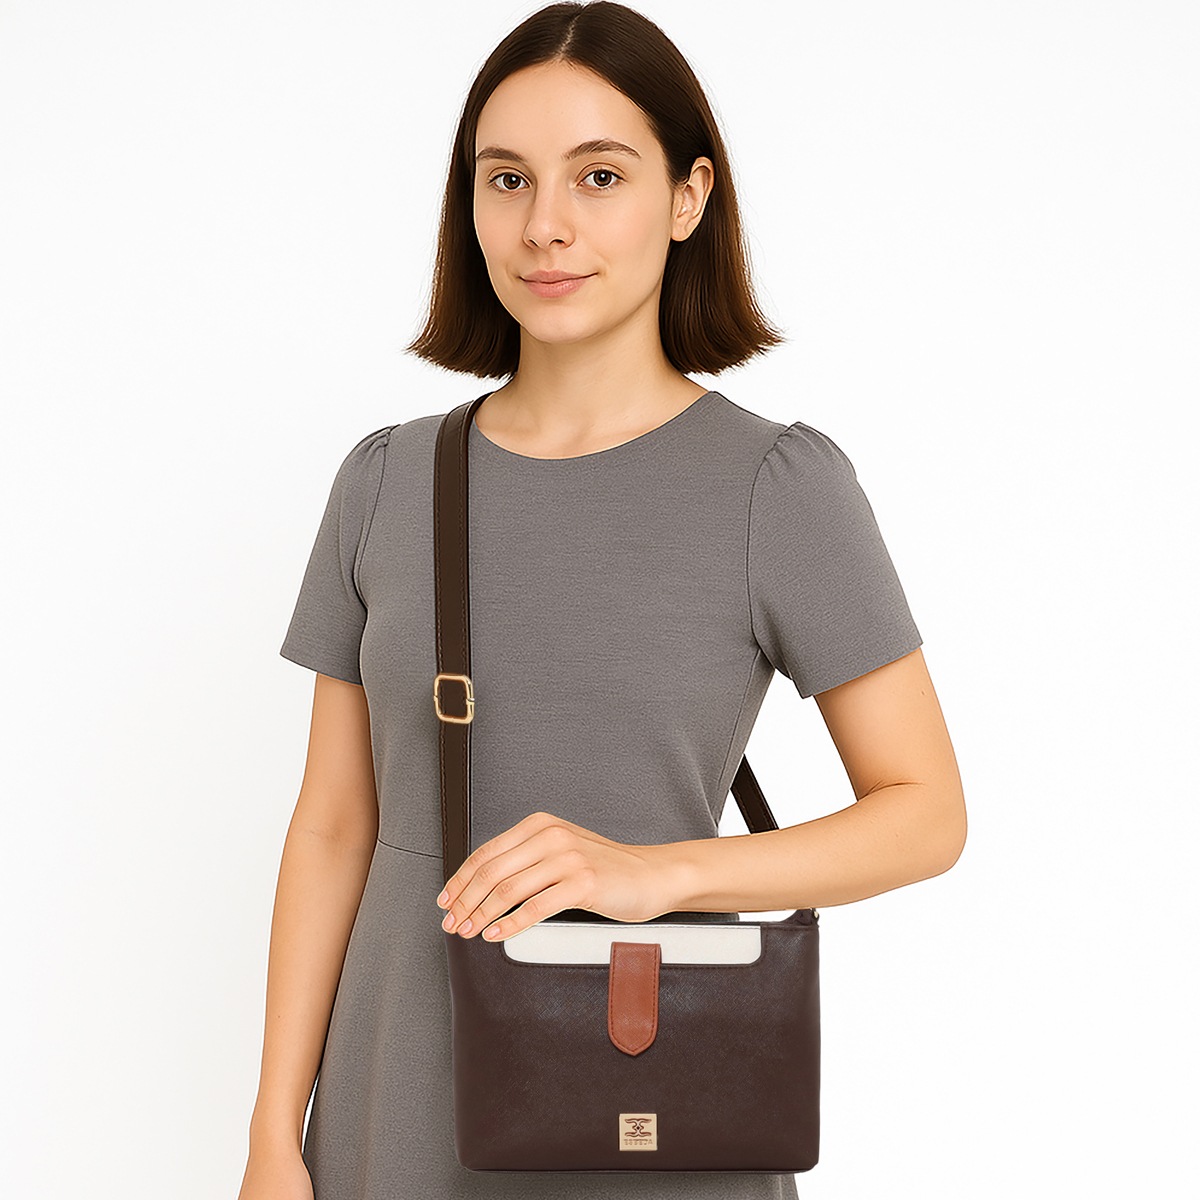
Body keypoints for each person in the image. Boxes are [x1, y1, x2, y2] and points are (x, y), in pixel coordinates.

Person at [238, 3, 967, 1198]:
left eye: (600, 175)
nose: (546, 224)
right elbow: (332, 827)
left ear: (688, 198)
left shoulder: (777, 485)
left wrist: (659, 872)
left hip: (658, 1095)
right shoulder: (386, 482)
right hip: (401, 1097)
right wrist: (274, 1132)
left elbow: (926, 812)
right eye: (507, 179)